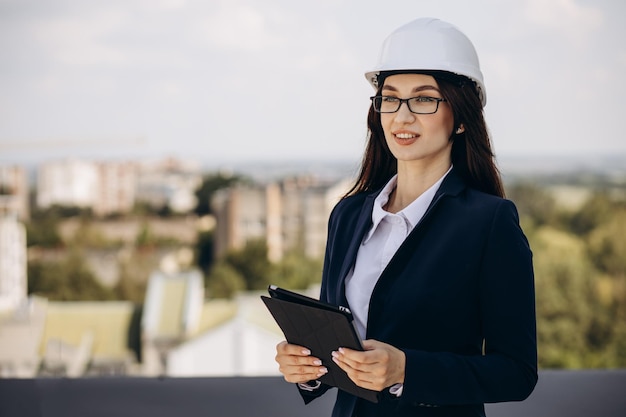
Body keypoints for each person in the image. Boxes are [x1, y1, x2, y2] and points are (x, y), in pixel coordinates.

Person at [274, 17, 537, 417]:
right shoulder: (348, 214)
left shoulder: (490, 222)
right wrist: (308, 367)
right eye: (390, 98)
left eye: (424, 99)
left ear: (462, 117)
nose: (402, 116)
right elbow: (342, 344)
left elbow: (516, 373)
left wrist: (406, 371)